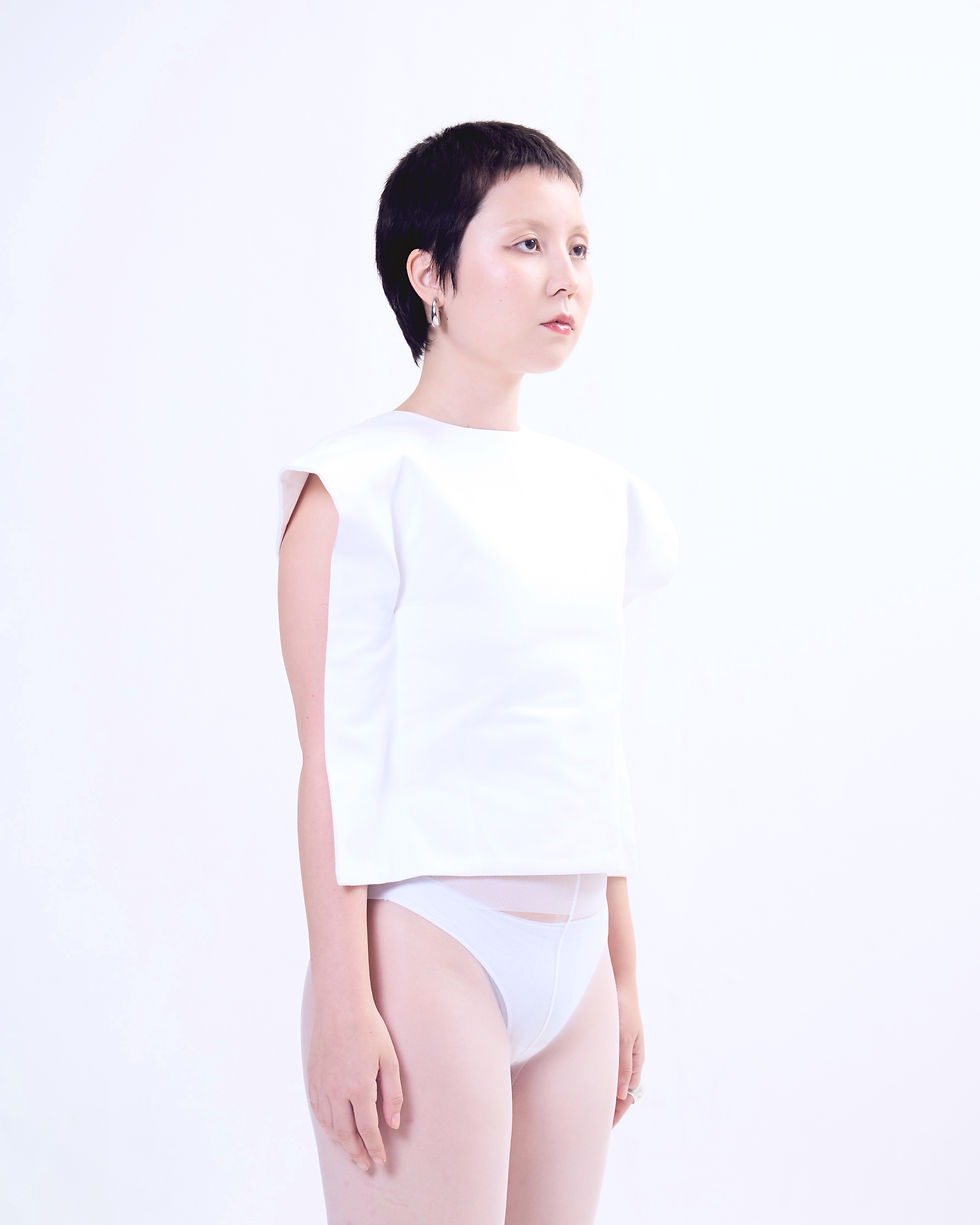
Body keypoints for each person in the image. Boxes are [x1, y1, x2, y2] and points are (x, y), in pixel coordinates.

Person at [277, 120, 678, 1224]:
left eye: (579, 247)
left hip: (576, 954)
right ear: (429, 275)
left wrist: (623, 968)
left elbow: (587, 740)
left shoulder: (600, 496)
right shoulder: (359, 487)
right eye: (526, 244)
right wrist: (343, 999)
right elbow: (330, 762)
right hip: (427, 945)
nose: (565, 276)